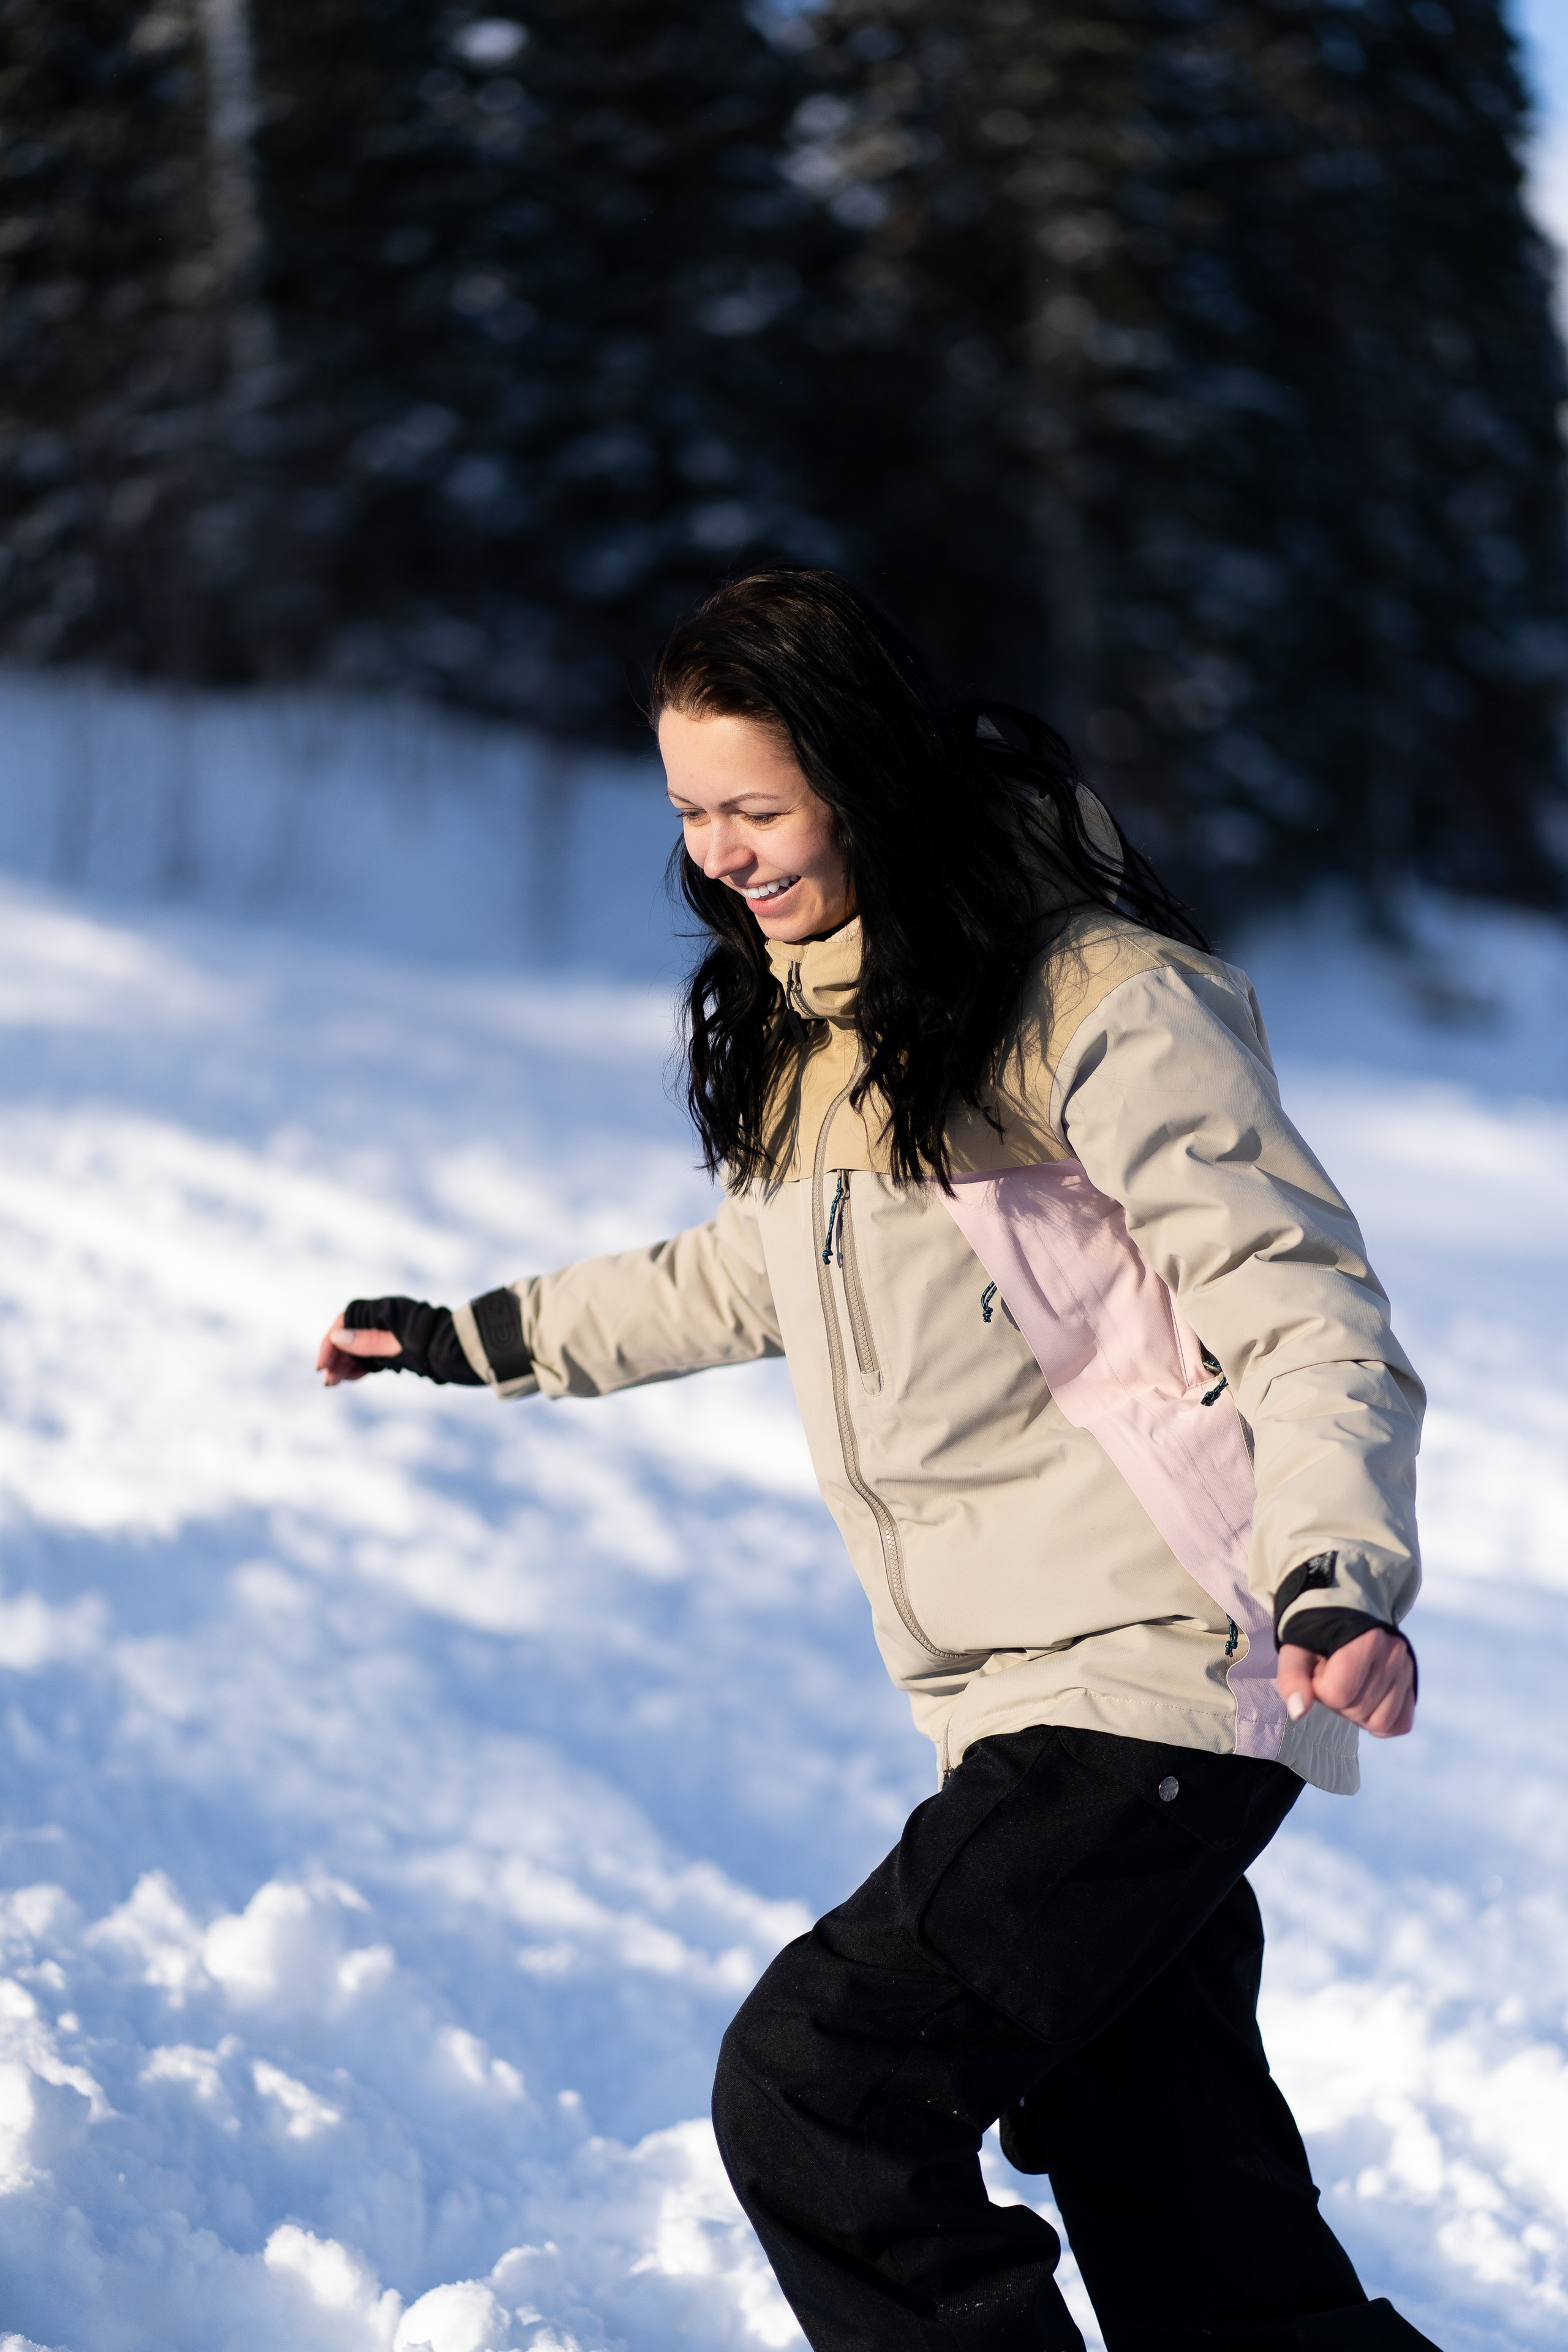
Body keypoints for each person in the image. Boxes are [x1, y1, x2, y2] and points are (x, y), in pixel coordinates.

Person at [317, 570, 1435, 2352]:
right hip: (1028, 1696)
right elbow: (743, 1275)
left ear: (866, 776)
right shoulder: (828, 1025)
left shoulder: (1090, 999)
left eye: (755, 809)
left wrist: (1335, 1572)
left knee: (825, 2083)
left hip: (1167, 1670)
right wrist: (480, 1335)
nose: (722, 856)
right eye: (690, 814)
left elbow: (1303, 1306)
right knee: (1174, 2183)